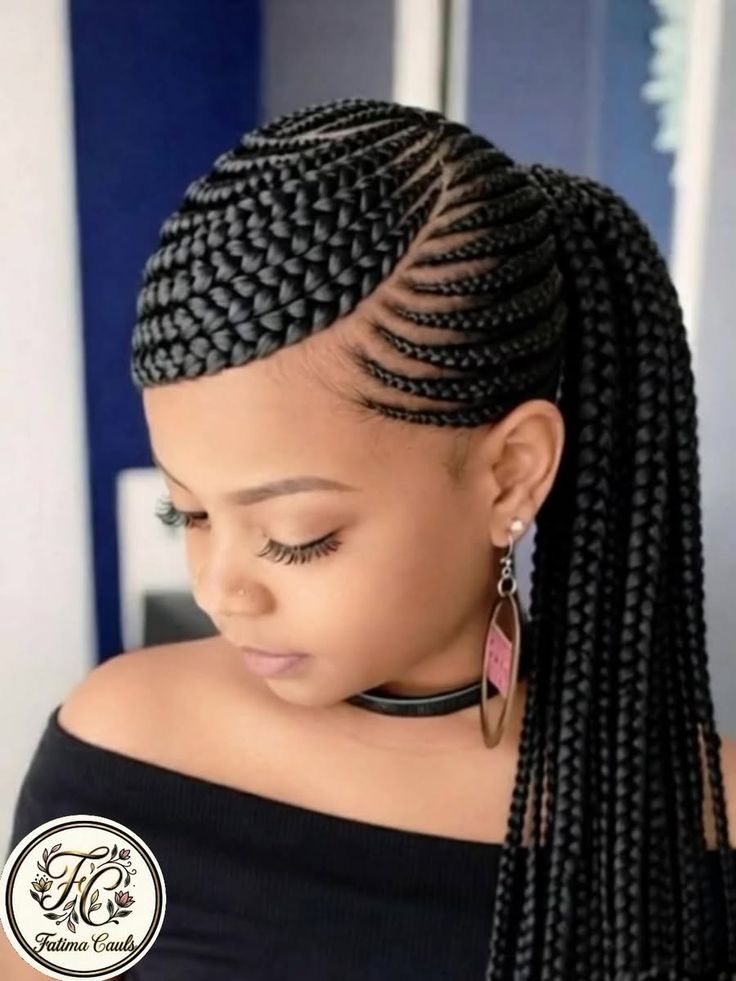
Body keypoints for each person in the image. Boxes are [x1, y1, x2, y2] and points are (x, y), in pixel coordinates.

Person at [4, 97, 736, 979]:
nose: (218, 589)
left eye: (298, 535)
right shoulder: (120, 747)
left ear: (512, 473)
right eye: (188, 514)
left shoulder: (697, 828)